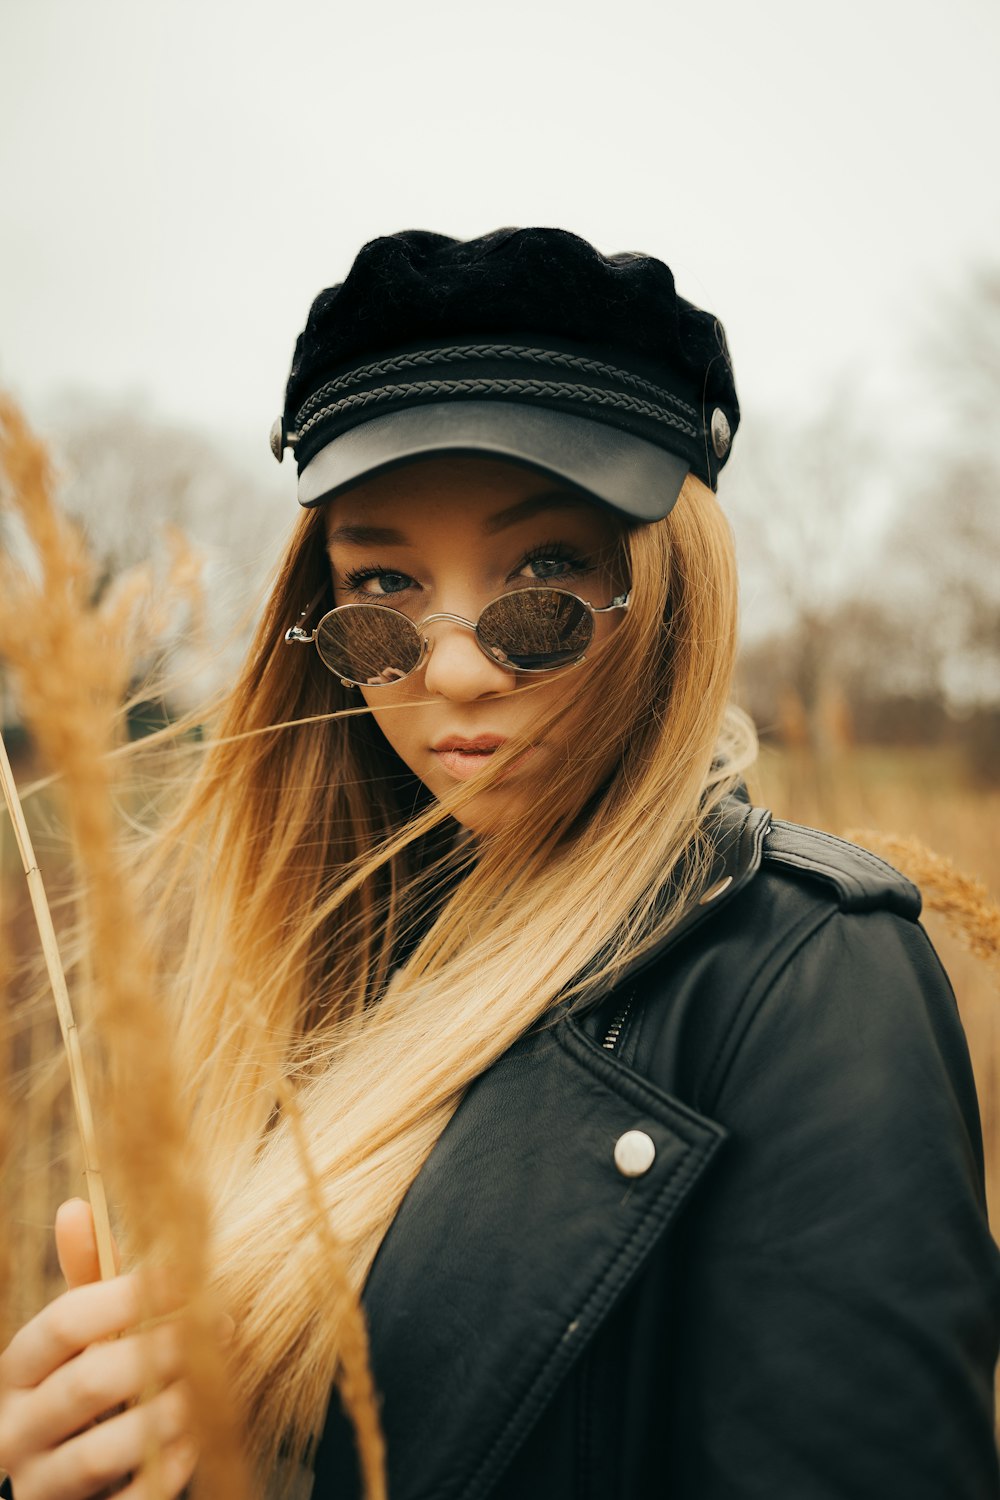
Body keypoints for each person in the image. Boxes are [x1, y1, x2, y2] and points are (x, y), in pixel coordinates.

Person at [1, 227, 998, 1500]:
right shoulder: (314, 957)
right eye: (381, 593)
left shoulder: (808, 978)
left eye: (545, 579)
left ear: (668, 594)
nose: (458, 669)